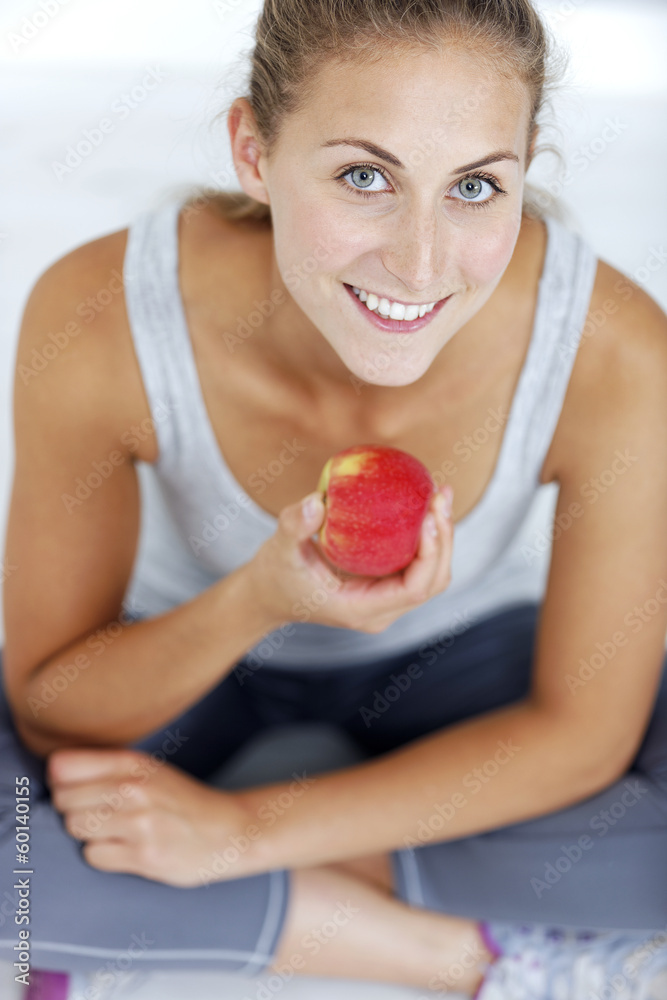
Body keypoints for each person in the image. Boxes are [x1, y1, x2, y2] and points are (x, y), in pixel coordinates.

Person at [1, 1, 667, 997]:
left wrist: (236, 830)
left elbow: (579, 736)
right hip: (184, 654)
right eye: (366, 176)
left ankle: (171, 907)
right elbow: (55, 712)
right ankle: (475, 954)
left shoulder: (616, 351)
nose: (420, 261)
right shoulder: (99, 314)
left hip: (465, 668)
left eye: (476, 187)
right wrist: (262, 595)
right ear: (254, 152)